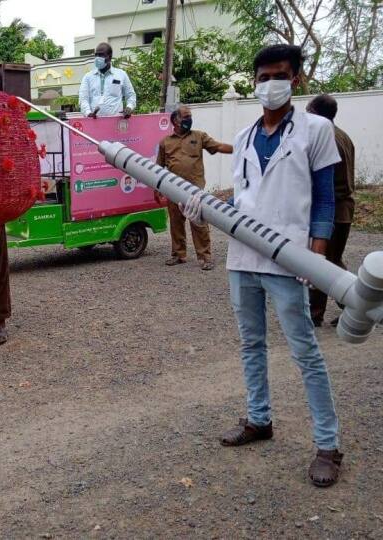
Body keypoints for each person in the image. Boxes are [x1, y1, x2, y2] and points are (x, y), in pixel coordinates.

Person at [182, 45, 343, 487]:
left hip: (289, 257)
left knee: (305, 351)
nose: (269, 84)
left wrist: (317, 256)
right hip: (243, 258)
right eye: (262, 76)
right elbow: (246, 197)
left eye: (279, 75)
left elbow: (325, 200)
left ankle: (328, 445)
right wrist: (209, 205)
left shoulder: (316, 130)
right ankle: (259, 419)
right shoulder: (248, 134)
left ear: (296, 80)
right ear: (254, 81)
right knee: (251, 344)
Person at [156, 105, 233, 270]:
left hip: (195, 190)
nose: (189, 120)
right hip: (172, 189)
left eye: (190, 116)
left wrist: (240, 149)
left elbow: (218, 147)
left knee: (199, 223)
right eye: (185, 116)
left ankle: (205, 257)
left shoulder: (199, 136)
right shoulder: (165, 142)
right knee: (176, 223)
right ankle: (178, 254)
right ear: (175, 120)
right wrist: (156, 189)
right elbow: (158, 168)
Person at [306, 94, 356, 327]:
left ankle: (358, 306)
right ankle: (319, 311)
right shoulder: (343, 135)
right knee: (331, 261)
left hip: (333, 209)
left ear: (315, 113)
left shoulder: (326, 139)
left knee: (325, 263)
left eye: (308, 111)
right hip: (342, 208)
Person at [79, 42, 136, 119]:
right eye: (96, 55)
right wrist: (88, 113)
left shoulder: (121, 74)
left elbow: (131, 95)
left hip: (116, 123)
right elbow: (83, 99)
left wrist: (129, 108)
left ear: (110, 57)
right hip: (94, 123)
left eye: (101, 55)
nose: (98, 58)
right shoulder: (88, 77)